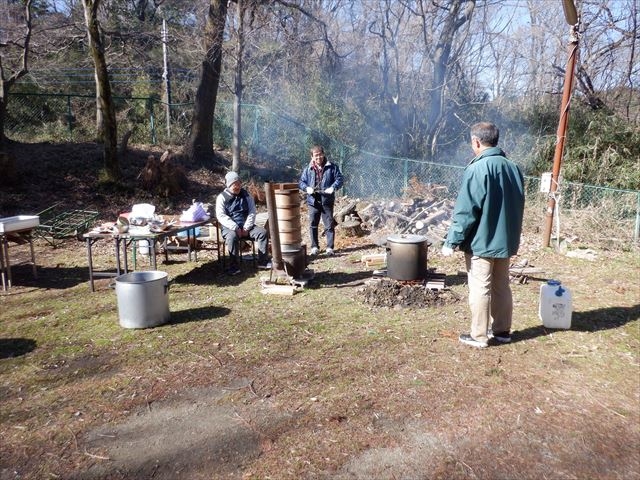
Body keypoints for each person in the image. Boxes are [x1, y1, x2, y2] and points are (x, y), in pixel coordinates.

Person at [442, 122, 525, 348]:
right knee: (501, 286)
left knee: (480, 286)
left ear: (476, 142)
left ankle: (479, 336)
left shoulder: (478, 168)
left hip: (482, 242)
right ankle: (502, 331)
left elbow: (467, 209)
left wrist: (452, 240)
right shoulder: (513, 168)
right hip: (505, 240)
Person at [216, 171, 270, 275]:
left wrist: (246, 227)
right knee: (232, 237)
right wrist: (235, 227)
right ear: (229, 185)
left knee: (262, 232)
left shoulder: (246, 195)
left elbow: (252, 212)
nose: (237, 186)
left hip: (246, 227)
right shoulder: (222, 197)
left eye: (238, 184)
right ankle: (234, 267)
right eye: (234, 184)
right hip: (230, 228)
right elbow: (221, 216)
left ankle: (263, 262)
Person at [299, 145, 344, 256]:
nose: (318, 157)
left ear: (323, 154)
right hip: (313, 200)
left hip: (327, 199)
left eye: (320, 154)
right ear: (312, 157)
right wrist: (306, 188)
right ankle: (314, 247)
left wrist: (333, 187)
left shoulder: (332, 167)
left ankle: (329, 248)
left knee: (329, 225)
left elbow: (340, 179)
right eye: (316, 155)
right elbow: (301, 182)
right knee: (313, 224)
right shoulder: (308, 169)